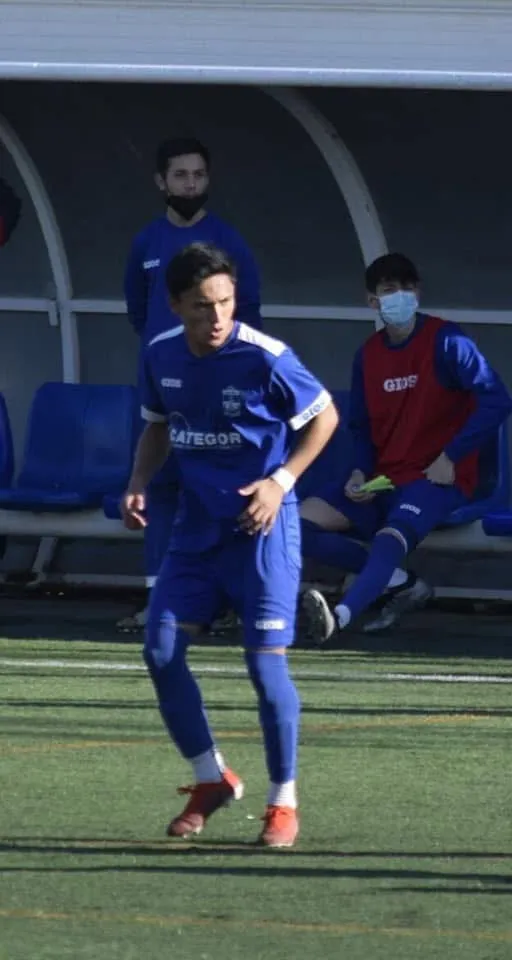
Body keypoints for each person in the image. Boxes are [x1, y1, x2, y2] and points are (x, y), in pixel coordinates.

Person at [121, 243, 338, 847]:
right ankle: (210, 777)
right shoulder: (160, 355)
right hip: (197, 532)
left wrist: (279, 481)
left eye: (225, 302)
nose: (217, 316)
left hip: (262, 532)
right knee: (160, 651)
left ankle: (283, 802)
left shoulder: (266, 357)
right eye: (201, 305)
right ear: (175, 305)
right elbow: (157, 426)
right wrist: (138, 481)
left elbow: (324, 418)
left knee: (264, 667)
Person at [301, 252, 512, 640]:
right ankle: (401, 582)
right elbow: (362, 427)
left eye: (407, 288)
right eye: (389, 289)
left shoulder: (447, 341)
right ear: (372, 301)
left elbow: (497, 400)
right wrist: (360, 471)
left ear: (417, 293)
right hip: (383, 479)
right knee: (292, 525)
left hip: (436, 478)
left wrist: (451, 456)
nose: (400, 296)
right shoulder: (368, 355)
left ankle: (340, 616)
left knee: (390, 537)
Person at [120, 137, 262, 631]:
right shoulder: (146, 242)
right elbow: (138, 311)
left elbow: (250, 314)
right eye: (181, 175)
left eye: (198, 175)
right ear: (161, 181)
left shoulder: (228, 241)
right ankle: (159, 602)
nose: (190, 184)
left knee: (218, 491)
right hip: (165, 387)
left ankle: (225, 602)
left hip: (219, 390)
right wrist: (167, 358)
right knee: (159, 488)